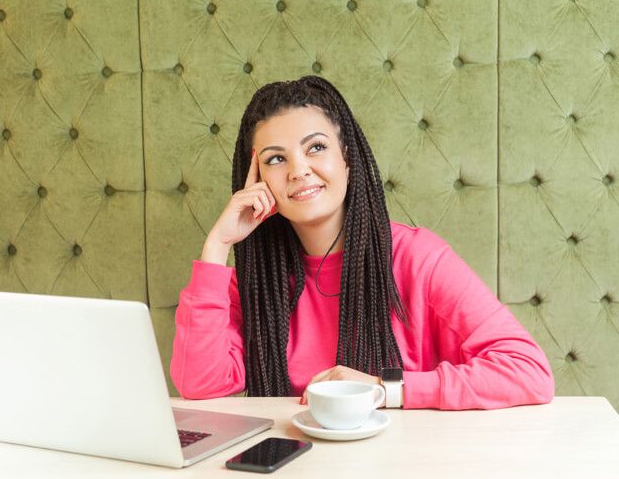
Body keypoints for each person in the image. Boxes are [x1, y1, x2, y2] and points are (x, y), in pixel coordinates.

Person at [170, 75, 554, 410]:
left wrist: (385, 390)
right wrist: (218, 246)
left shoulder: (416, 258)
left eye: (315, 147)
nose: (299, 170)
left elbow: (528, 370)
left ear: (348, 158)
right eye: (275, 159)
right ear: (256, 179)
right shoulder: (257, 281)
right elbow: (200, 384)